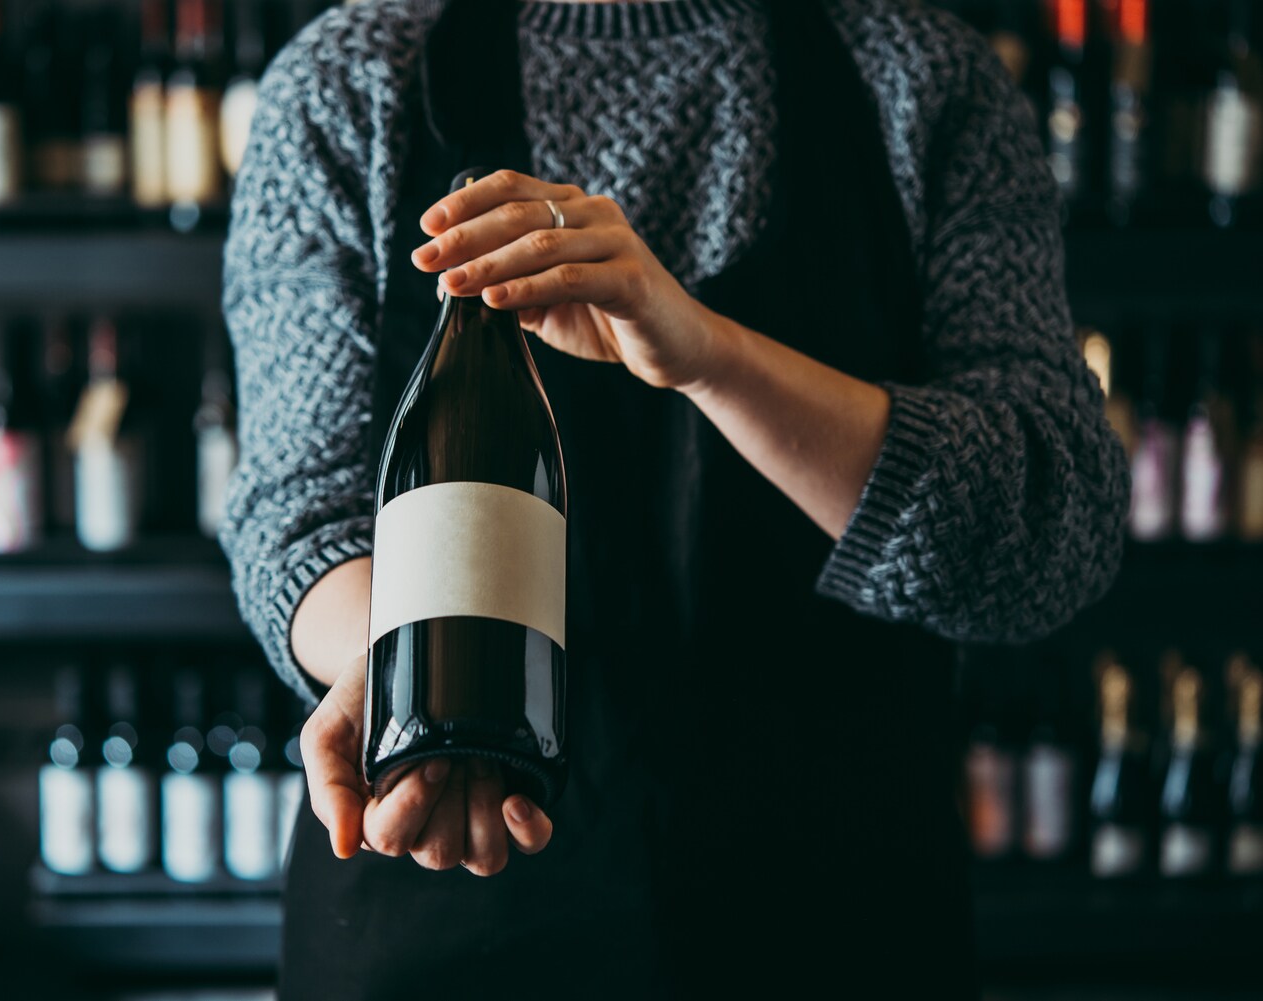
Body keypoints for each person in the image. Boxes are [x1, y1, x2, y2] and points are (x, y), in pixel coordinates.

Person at [221, 0, 1129, 996]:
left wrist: (712, 356)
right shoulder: (353, 81)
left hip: (836, 923)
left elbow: (1052, 533)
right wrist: (411, 673)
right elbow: (297, 518)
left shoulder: (924, 77)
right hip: (448, 925)